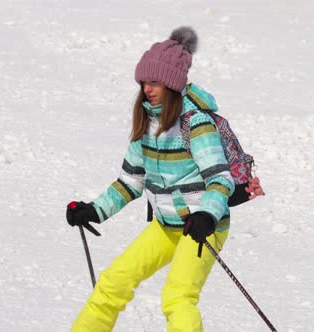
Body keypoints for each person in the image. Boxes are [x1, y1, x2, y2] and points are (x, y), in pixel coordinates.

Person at [66, 26, 242, 332]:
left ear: (172, 84)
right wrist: (94, 210)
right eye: (144, 81)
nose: (147, 88)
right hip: (165, 224)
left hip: (200, 227)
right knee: (113, 281)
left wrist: (207, 216)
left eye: (155, 81)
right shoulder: (147, 123)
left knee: (177, 296)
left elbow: (220, 179)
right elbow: (130, 181)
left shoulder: (194, 123)